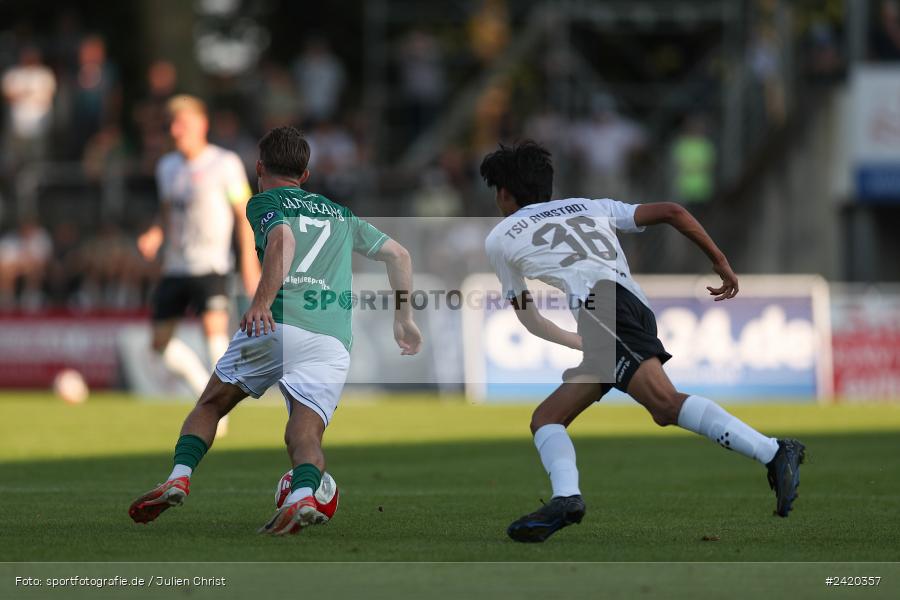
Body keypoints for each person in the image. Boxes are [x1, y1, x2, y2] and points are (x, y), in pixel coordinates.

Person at [480, 141, 805, 543]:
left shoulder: (500, 238)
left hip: (603, 310)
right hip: (629, 306)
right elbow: (673, 211)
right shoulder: (589, 205)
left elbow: (528, 317)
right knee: (546, 418)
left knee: (665, 404)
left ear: (504, 193)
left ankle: (773, 451)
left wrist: (578, 339)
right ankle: (566, 498)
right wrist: (720, 262)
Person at [128, 126, 422, 535]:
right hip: (331, 338)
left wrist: (261, 302)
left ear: (259, 167)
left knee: (211, 405)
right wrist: (403, 317)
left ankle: (180, 475)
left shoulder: (264, 201)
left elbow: (282, 240)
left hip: (277, 324)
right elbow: (399, 254)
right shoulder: (341, 214)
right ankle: (303, 496)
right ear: (305, 174)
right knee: (304, 436)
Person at [137, 95, 259, 438]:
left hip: (211, 265)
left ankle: (217, 410)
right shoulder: (167, 167)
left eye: (183, 123)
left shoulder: (225, 163)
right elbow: (166, 213)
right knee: (159, 346)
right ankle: (202, 395)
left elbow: (243, 215)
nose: (177, 130)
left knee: (213, 334)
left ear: (202, 125)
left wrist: (249, 264)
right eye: (173, 124)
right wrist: (155, 234)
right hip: (176, 268)